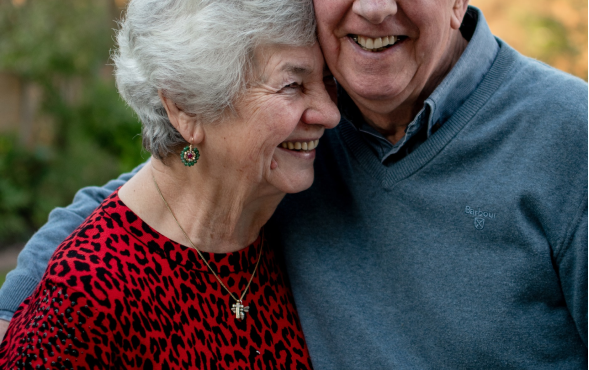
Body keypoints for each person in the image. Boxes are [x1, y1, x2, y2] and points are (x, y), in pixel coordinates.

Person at [1, 0, 587, 368]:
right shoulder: (305, 138)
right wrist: (21, 310)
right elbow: (162, 185)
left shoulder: (569, 137)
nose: (376, 9)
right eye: (294, 87)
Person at [0, 0, 340, 368]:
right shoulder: (89, 293)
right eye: (292, 85)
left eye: (326, 81)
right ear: (185, 107)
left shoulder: (279, 224)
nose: (331, 113)